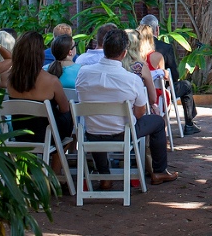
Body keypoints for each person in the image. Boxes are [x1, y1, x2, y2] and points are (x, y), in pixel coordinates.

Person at [76, 29, 178, 189]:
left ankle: (105, 176)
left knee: (97, 123)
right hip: (122, 134)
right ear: (124, 53)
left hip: (91, 133)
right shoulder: (131, 79)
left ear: (103, 48)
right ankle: (159, 171)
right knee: (158, 122)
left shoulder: (83, 73)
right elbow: (139, 114)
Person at [7, 31, 73, 173]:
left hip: (19, 134)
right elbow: (65, 109)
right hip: (46, 135)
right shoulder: (51, 81)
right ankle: (55, 174)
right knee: (69, 118)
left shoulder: (9, 80)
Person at [137, 16, 202, 135]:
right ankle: (189, 124)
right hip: (160, 93)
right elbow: (174, 75)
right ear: (157, 29)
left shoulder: (133, 47)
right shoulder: (164, 48)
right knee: (186, 85)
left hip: (138, 91)